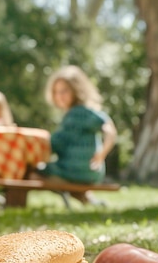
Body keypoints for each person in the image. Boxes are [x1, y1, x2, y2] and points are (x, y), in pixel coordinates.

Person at [36, 65, 117, 204]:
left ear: (76, 90)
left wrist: (103, 152)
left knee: (33, 173)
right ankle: (88, 200)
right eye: (56, 92)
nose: (59, 96)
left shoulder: (76, 114)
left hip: (74, 170)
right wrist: (102, 154)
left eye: (64, 91)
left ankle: (13, 203)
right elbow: (109, 128)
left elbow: (55, 144)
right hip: (94, 172)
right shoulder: (88, 112)